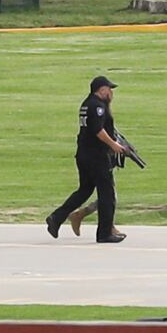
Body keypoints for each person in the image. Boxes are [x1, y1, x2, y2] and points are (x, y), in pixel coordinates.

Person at [45, 76, 126, 244]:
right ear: (101, 90)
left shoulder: (86, 104)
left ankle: (56, 218)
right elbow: (98, 130)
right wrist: (114, 145)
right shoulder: (97, 106)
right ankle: (104, 233)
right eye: (109, 89)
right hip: (96, 156)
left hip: (83, 154)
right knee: (107, 194)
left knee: (84, 190)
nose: (111, 93)